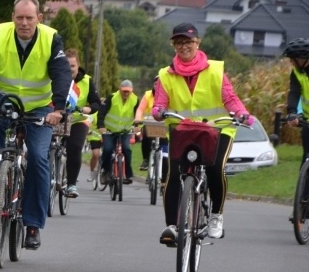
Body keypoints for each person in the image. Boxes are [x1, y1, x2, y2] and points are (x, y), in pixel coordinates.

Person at [0, 0, 71, 250]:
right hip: (6, 98)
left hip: (41, 106)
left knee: (37, 157)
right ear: (13, 18)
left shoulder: (51, 39)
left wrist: (59, 108)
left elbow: (62, 73)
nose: (24, 23)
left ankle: (33, 225)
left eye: (29, 18)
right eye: (19, 18)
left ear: (39, 19)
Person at [152, 22, 253, 244]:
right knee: (173, 172)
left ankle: (216, 215)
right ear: (173, 45)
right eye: (179, 42)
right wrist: (158, 111)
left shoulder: (215, 69)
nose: (183, 46)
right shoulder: (165, 74)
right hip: (184, 129)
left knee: (215, 167)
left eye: (188, 41)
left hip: (218, 129)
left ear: (197, 43)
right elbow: (160, 102)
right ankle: (171, 226)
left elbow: (229, 98)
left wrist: (242, 113)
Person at [63, 48, 102, 197]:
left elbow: (96, 103)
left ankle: (71, 184)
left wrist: (86, 109)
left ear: (78, 66)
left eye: (72, 66)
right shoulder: (55, 77)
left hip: (79, 120)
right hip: (58, 118)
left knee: (74, 147)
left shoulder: (87, 81)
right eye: (66, 66)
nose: (69, 69)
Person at [98, 79, 139, 185]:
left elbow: (138, 116)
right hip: (109, 130)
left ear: (132, 91)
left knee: (126, 149)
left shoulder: (135, 100)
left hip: (125, 131)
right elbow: (101, 112)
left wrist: (137, 127)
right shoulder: (111, 98)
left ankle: (128, 175)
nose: (126, 93)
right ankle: (105, 171)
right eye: (124, 91)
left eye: (128, 91)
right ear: (119, 90)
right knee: (107, 149)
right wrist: (101, 126)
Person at [283, 38, 309, 166]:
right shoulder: (297, 73)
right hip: (308, 120)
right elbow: (294, 93)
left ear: (302, 58)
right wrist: (292, 112)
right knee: (307, 157)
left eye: (292, 59)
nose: (291, 62)